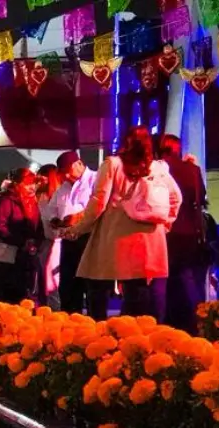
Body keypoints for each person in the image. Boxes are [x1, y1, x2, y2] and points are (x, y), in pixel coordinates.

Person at [64, 126, 182, 321]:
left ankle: (101, 333)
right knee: (139, 296)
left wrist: (78, 228)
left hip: (115, 237)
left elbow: (98, 203)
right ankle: (135, 334)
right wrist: (165, 224)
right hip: (150, 240)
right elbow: (176, 198)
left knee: (97, 286)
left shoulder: (112, 164)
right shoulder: (158, 168)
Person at [158, 134, 208, 333]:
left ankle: (168, 320)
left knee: (165, 278)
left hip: (167, 229)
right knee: (188, 276)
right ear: (177, 148)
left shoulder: (158, 168)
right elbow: (201, 198)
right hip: (190, 230)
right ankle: (193, 321)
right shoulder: (192, 169)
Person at [48, 150, 98, 316]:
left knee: (92, 288)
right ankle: (69, 323)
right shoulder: (63, 188)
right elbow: (51, 210)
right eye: (63, 173)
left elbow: (100, 207)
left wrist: (78, 217)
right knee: (68, 288)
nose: (67, 176)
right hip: (69, 241)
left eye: (69, 171)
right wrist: (55, 220)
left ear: (79, 164)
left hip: (90, 241)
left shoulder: (95, 179)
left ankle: (95, 324)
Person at [0, 168, 42, 304]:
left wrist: (35, 241)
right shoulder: (7, 201)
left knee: (25, 291)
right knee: (8, 292)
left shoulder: (33, 202)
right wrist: (20, 241)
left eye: (33, 183)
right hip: (9, 254)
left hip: (27, 255)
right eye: (27, 184)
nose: (32, 187)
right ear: (17, 184)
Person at [36, 164, 63, 308]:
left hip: (57, 242)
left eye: (42, 178)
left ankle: (55, 311)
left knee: (52, 281)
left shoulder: (58, 196)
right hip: (46, 242)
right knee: (43, 281)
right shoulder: (41, 197)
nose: (39, 181)